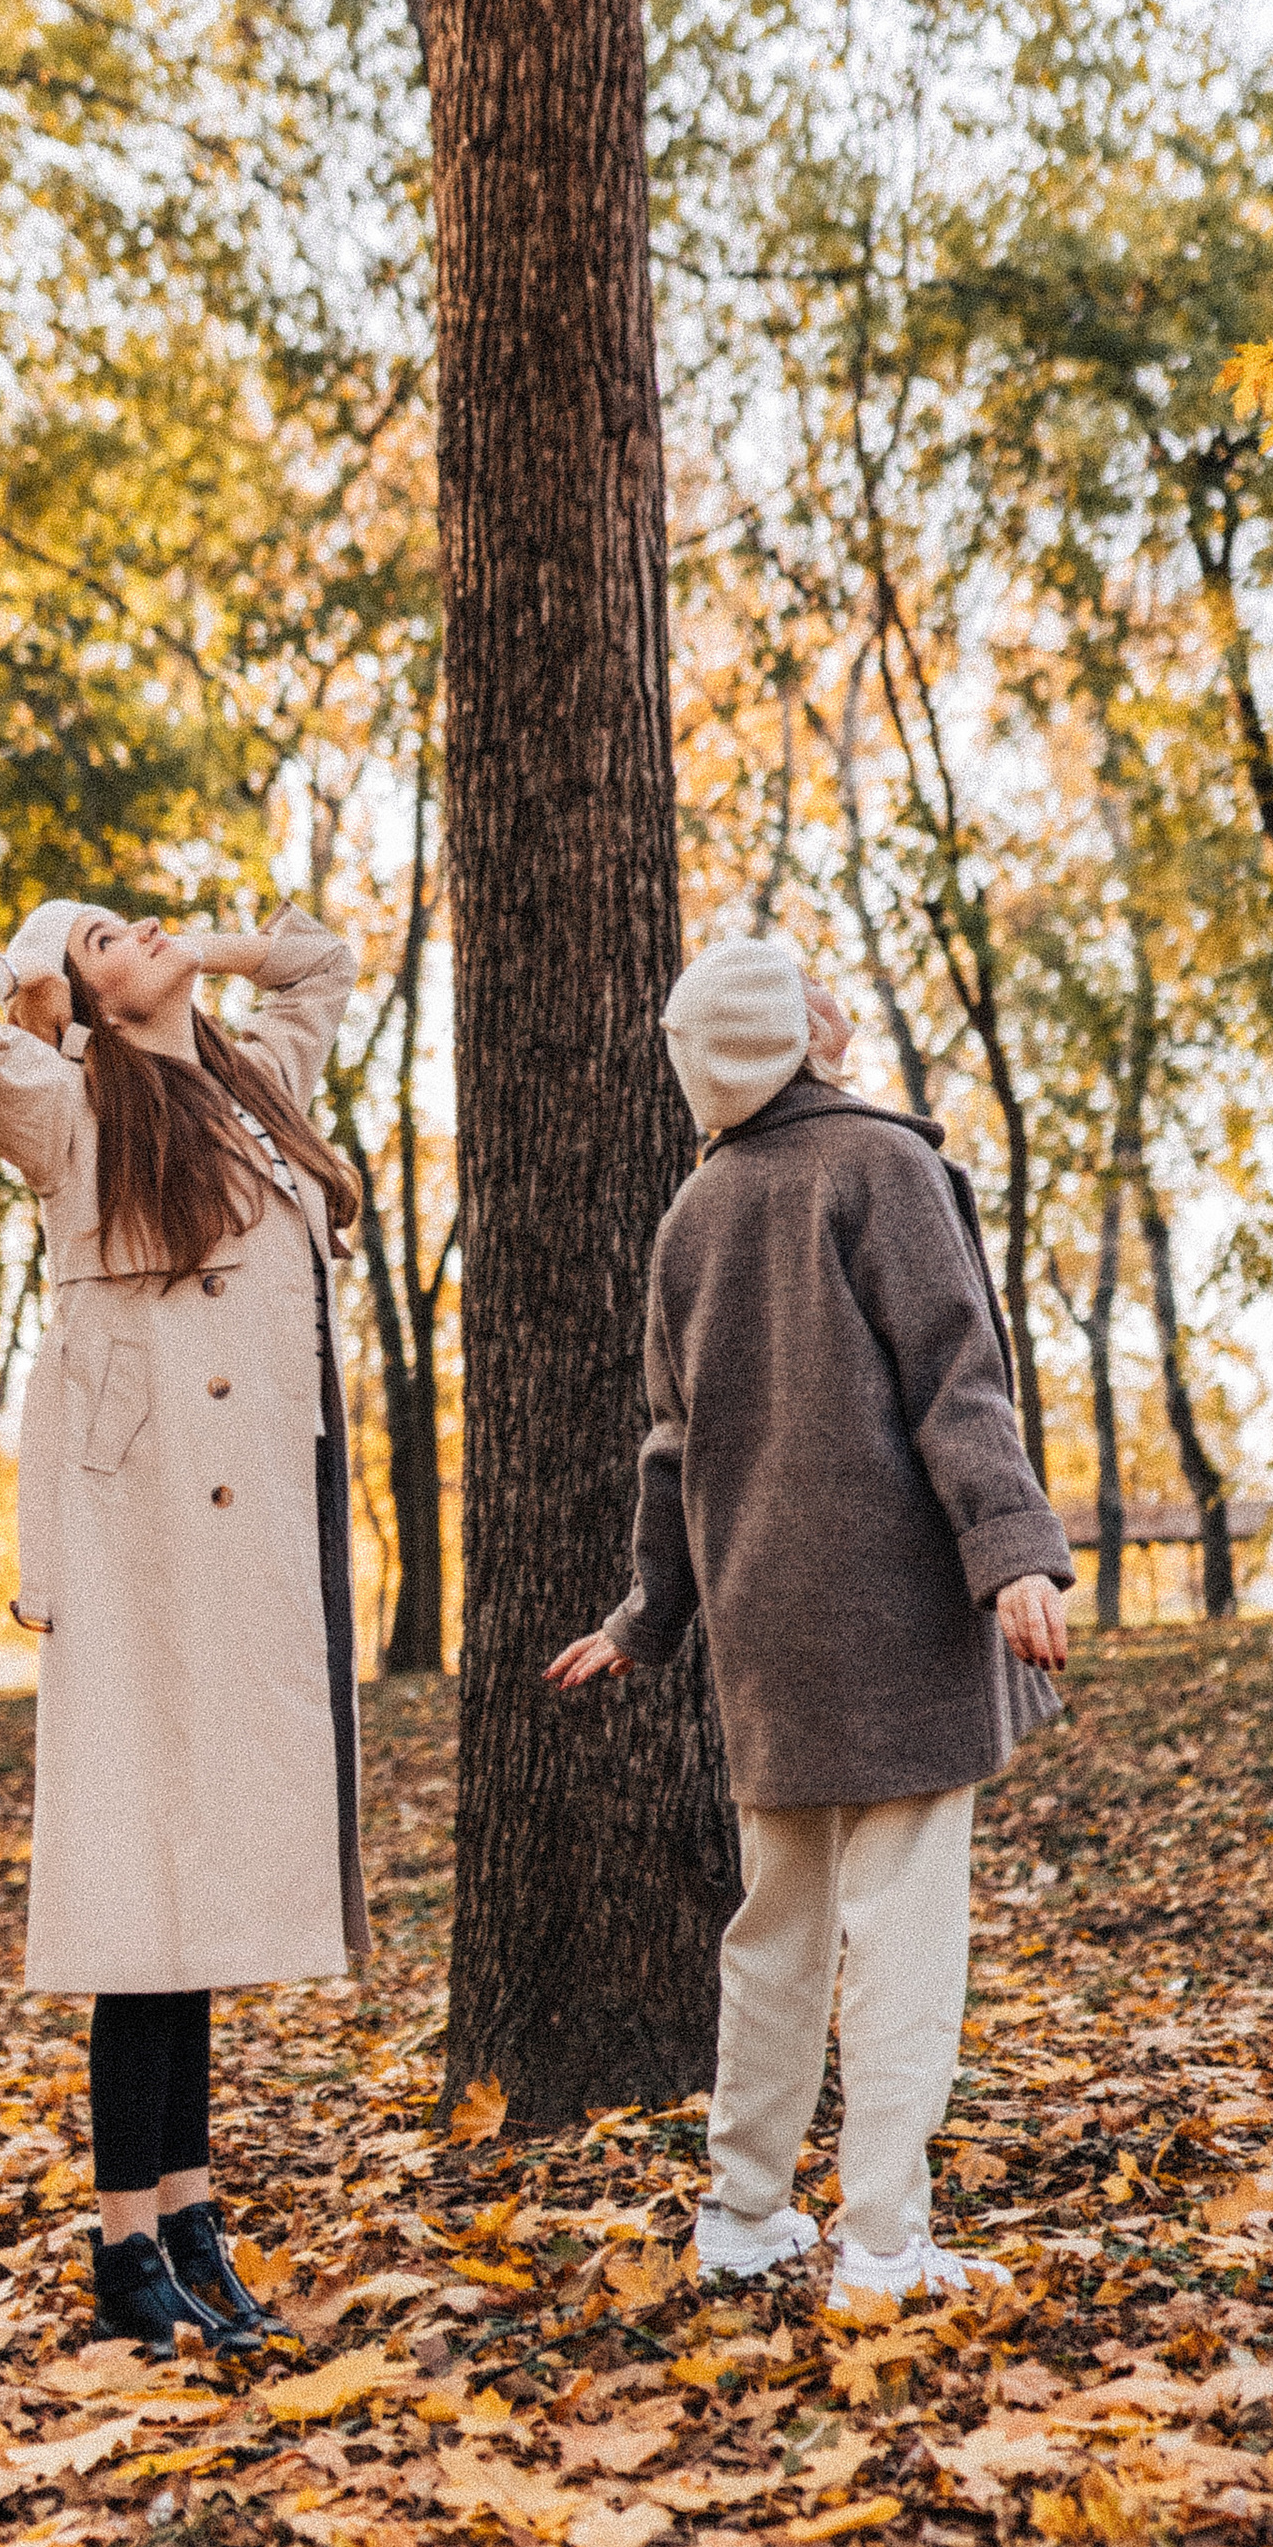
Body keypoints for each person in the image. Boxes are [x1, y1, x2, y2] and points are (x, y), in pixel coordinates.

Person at [548, 938, 1074, 2302]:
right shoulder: (882, 1168)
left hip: (765, 1631)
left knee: (775, 1925)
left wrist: (652, 1615)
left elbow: (673, 1449)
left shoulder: (692, 1215)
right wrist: (1013, 1555)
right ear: (793, 1038)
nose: (833, 1003)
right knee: (903, 1930)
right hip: (899, 1609)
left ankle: (743, 2215)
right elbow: (960, 1382)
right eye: (807, 996)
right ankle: (885, 2243)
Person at [0, 898, 366, 2354]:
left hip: (259, 1544)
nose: (138, 929)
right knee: (143, 1897)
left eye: (134, 916)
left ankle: (194, 2216)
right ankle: (122, 2249)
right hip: (145, 1540)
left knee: (199, 1902)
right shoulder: (72, 1105)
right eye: (109, 937)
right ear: (78, 999)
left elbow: (326, 956)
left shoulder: (259, 1077)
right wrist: (31, 965)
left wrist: (195, 953)